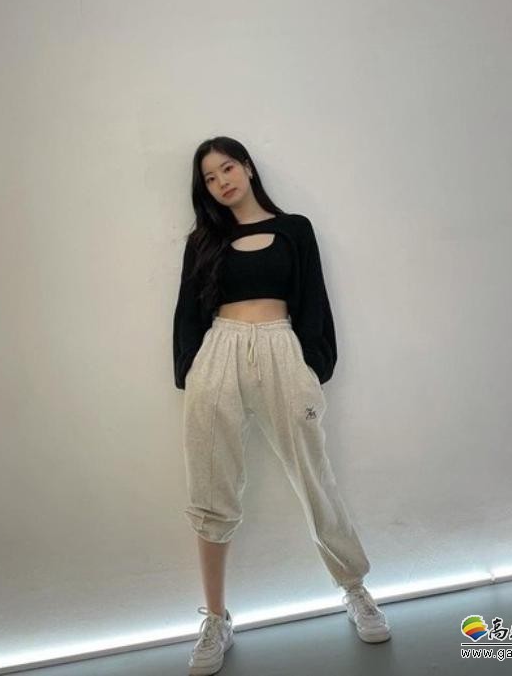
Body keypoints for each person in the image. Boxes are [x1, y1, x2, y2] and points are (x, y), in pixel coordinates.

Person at [173, 136, 391, 675]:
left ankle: (355, 589)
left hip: (282, 350)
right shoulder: (203, 240)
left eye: (228, 168)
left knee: (314, 477)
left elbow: (314, 299)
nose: (222, 182)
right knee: (210, 491)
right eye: (210, 178)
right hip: (218, 354)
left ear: (247, 167)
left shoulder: (295, 229)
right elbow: (187, 311)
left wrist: (312, 367)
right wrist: (193, 372)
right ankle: (216, 619)